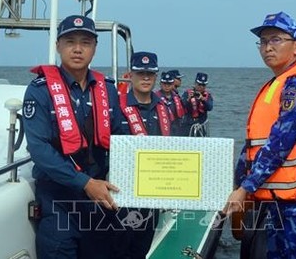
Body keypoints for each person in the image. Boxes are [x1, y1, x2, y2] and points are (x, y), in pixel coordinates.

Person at [222, 11, 296, 258]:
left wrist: (245, 188)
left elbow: (279, 143)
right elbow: (255, 143)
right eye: (264, 42)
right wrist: (236, 181)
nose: (268, 47)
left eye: (276, 39)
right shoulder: (276, 84)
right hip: (281, 202)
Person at [22, 14, 125, 259]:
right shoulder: (40, 91)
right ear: (58, 45)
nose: (77, 49)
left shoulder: (107, 89)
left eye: (85, 42)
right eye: (70, 42)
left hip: (101, 199)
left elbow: (122, 139)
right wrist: (85, 184)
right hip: (59, 201)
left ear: (95, 48)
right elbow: (39, 149)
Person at [115, 51, 172, 258]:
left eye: (150, 73)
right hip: (123, 195)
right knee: (119, 247)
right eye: (140, 73)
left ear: (156, 76)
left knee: (143, 247)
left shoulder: (164, 108)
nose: (146, 78)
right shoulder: (116, 106)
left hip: (151, 193)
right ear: (131, 74)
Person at [182, 72, 213, 137]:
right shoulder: (187, 93)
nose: (201, 87)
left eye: (203, 85)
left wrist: (203, 99)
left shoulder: (207, 96)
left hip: (201, 125)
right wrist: (188, 99)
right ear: (195, 83)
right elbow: (182, 106)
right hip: (188, 125)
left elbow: (210, 107)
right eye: (199, 85)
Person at [156, 71, 188, 136]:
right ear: (160, 84)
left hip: (176, 129)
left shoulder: (176, 98)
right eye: (164, 84)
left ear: (172, 84)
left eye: (169, 84)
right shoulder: (155, 97)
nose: (167, 86)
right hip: (161, 129)